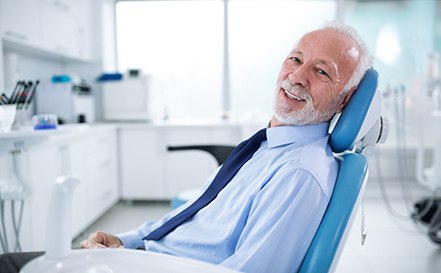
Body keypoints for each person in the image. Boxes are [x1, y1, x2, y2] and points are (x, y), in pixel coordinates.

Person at [0, 20, 372, 273]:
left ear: (346, 99)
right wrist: (127, 241)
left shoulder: (299, 173)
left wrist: (132, 263)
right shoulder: (271, 146)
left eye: (322, 72)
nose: (297, 77)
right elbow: (198, 220)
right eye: (295, 59)